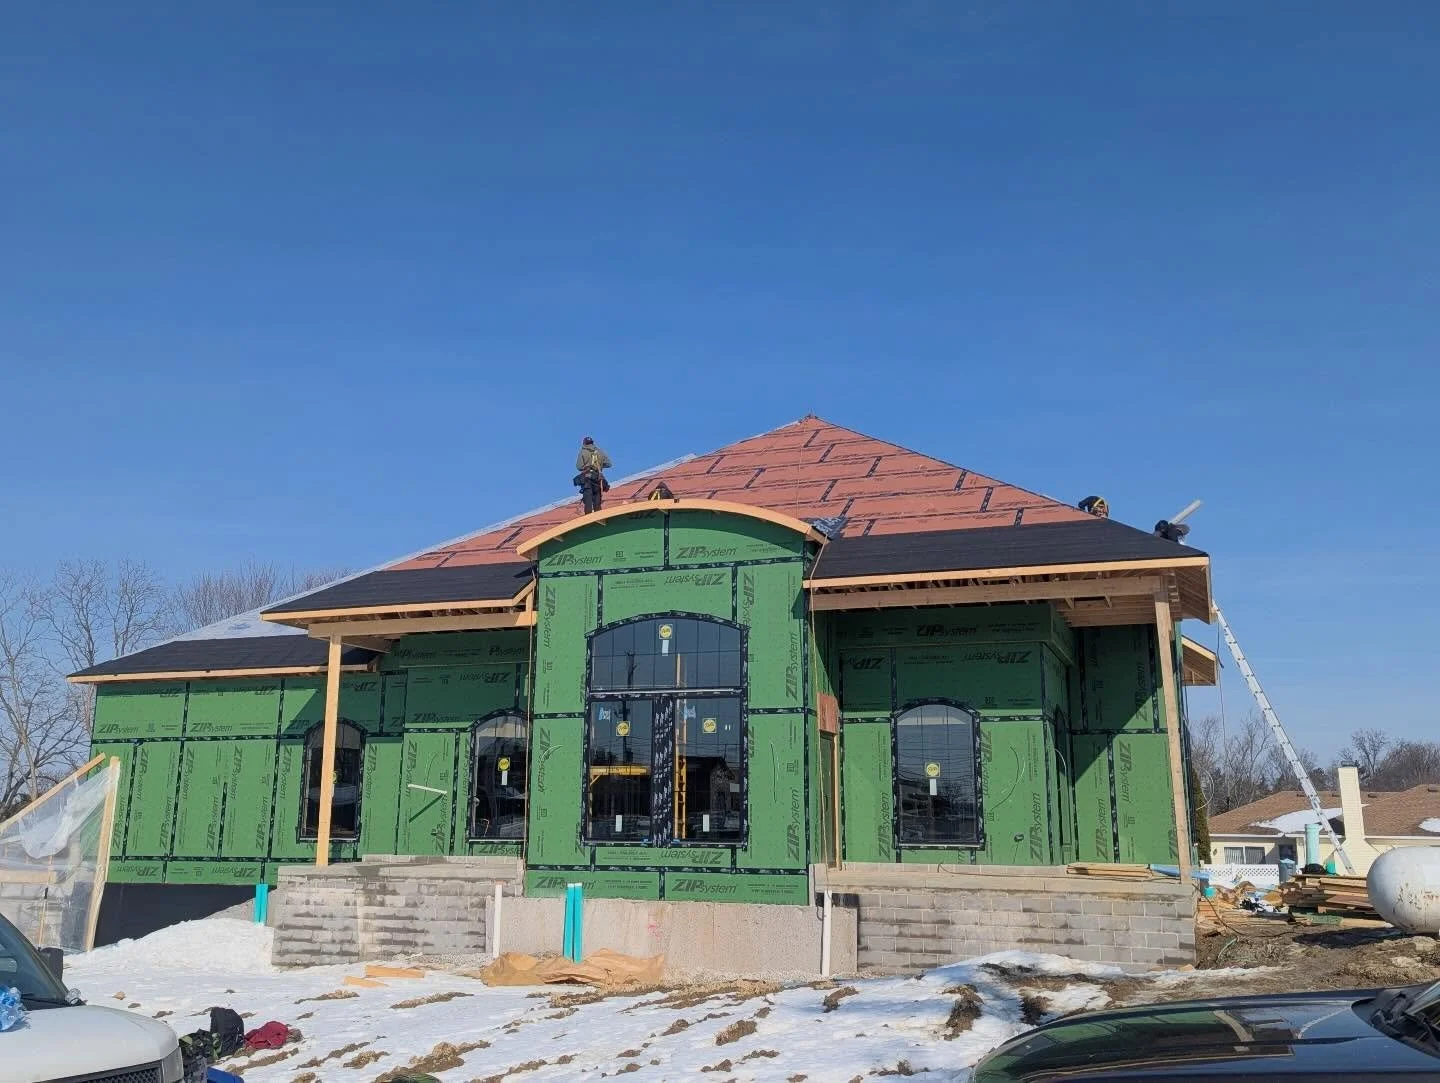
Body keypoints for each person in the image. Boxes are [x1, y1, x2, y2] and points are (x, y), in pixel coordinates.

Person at [575, 436, 612, 514]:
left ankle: (588, 517)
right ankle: (598, 516)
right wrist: (600, 466)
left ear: (584, 443)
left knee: (588, 498)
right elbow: (609, 464)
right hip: (598, 478)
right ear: (592, 442)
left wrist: (587, 466)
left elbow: (579, 467)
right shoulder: (600, 451)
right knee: (597, 498)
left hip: (587, 478)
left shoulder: (583, 452)